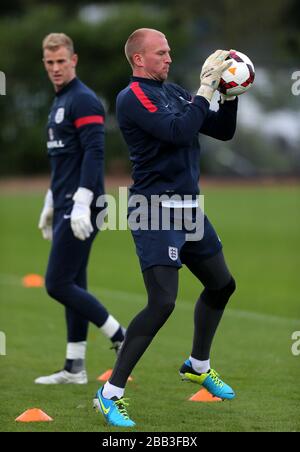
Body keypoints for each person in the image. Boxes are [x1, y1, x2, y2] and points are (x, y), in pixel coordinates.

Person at [94, 28, 238, 427]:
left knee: (222, 285)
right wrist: (206, 88)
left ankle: (197, 364)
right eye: (161, 53)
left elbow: (221, 130)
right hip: (154, 209)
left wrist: (227, 94)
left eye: (170, 51)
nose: (169, 58)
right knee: (162, 302)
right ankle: (109, 394)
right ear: (139, 59)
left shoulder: (173, 91)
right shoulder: (132, 97)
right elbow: (178, 131)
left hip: (189, 207)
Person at [35, 33, 125, 385]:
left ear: (74, 60)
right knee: (74, 281)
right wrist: (50, 200)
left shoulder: (84, 100)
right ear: (45, 63)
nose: (56, 68)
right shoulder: (59, 101)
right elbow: (64, 161)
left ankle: (121, 335)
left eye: (61, 61)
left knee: (57, 283)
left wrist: (82, 203)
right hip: (66, 204)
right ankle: (75, 367)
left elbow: (94, 154)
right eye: (50, 63)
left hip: (83, 207)